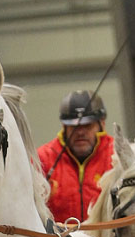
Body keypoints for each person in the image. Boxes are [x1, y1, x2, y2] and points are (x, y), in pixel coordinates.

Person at [38, 90, 114, 224]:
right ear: (64, 127)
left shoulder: (117, 156)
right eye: (73, 126)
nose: (80, 132)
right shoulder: (42, 159)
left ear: (102, 124)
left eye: (87, 125)